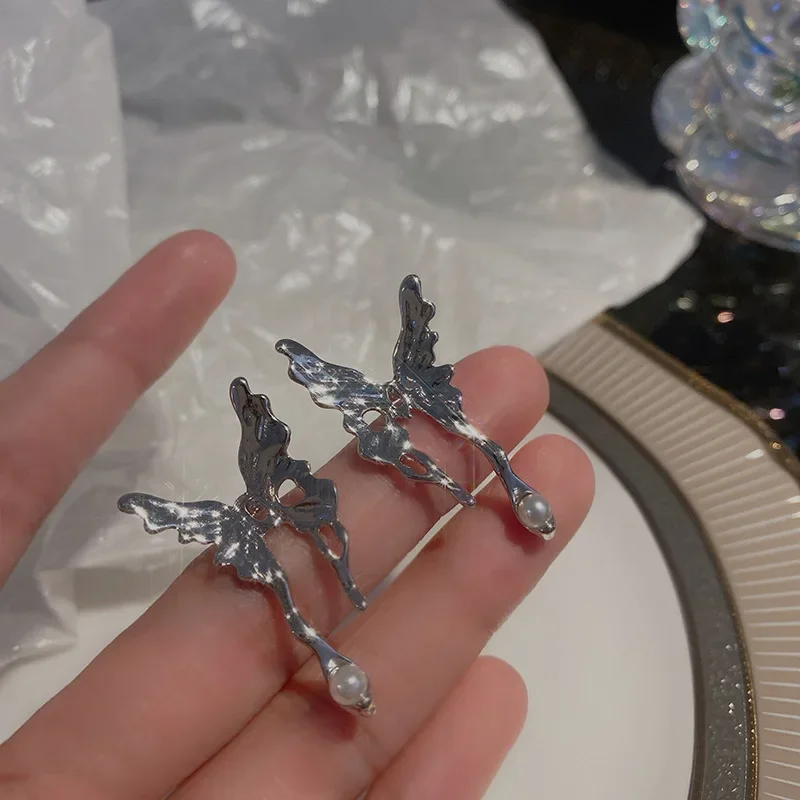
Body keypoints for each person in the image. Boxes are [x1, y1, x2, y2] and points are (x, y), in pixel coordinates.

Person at [0, 231, 594, 799]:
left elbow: (282, 436)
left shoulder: (335, 429)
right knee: (298, 582)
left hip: (318, 477)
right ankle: (447, 507)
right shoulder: (285, 474)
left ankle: (469, 495)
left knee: (448, 449)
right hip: (278, 512)